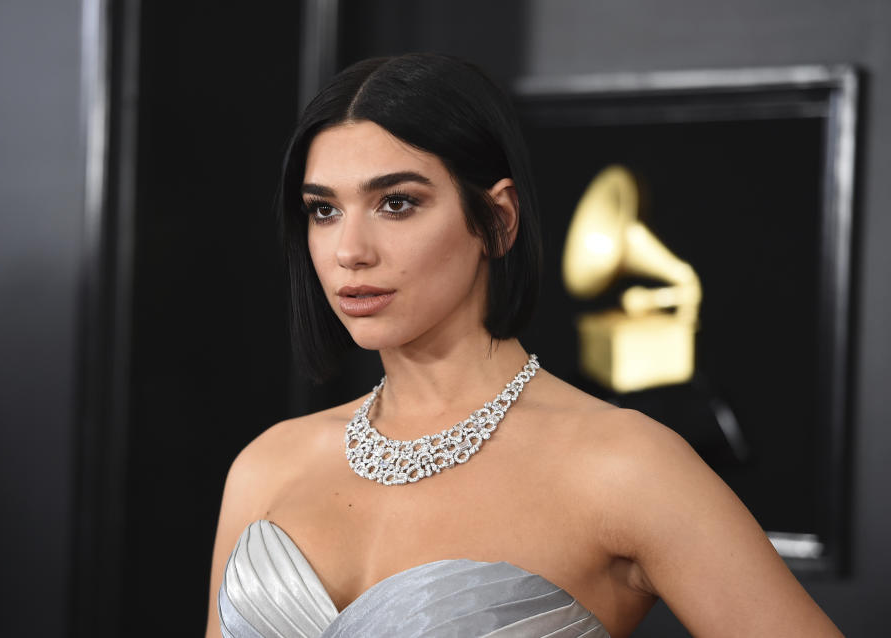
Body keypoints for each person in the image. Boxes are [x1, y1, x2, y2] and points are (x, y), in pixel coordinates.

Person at [205, 53, 842, 638]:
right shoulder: (267, 467)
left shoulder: (623, 466)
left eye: (396, 203)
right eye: (324, 210)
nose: (350, 251)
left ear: (498, 219)